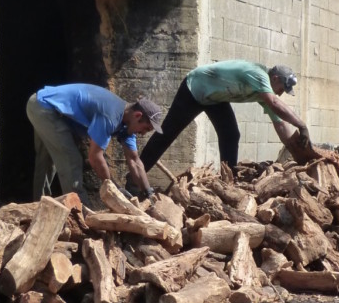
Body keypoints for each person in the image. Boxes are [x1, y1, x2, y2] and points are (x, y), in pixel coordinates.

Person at [138, 60, 311, 172]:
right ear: (274, 78)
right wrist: (301, 125)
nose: (280, 94)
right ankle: (135, 179)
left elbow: (280, 125)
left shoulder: (264, 93)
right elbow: (275, 103)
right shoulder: (259, 75)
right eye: (281, 89)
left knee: (230, 134)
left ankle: (228, 181)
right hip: (195, 89)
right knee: (167, 133)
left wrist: (298, 150)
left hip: (216, 98)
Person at [26, 84, 163, 205]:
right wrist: (114, 189)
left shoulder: (127, 126)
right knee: (71, 160)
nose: (144, 133)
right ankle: (81, 215)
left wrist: (148, 192)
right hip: (44, 108)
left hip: (49, 108)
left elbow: (134, 161)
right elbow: (95, 157)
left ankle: (39, 206)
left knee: (47, 160)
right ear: (138, 115)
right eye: (146, 128)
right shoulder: (111, 116)